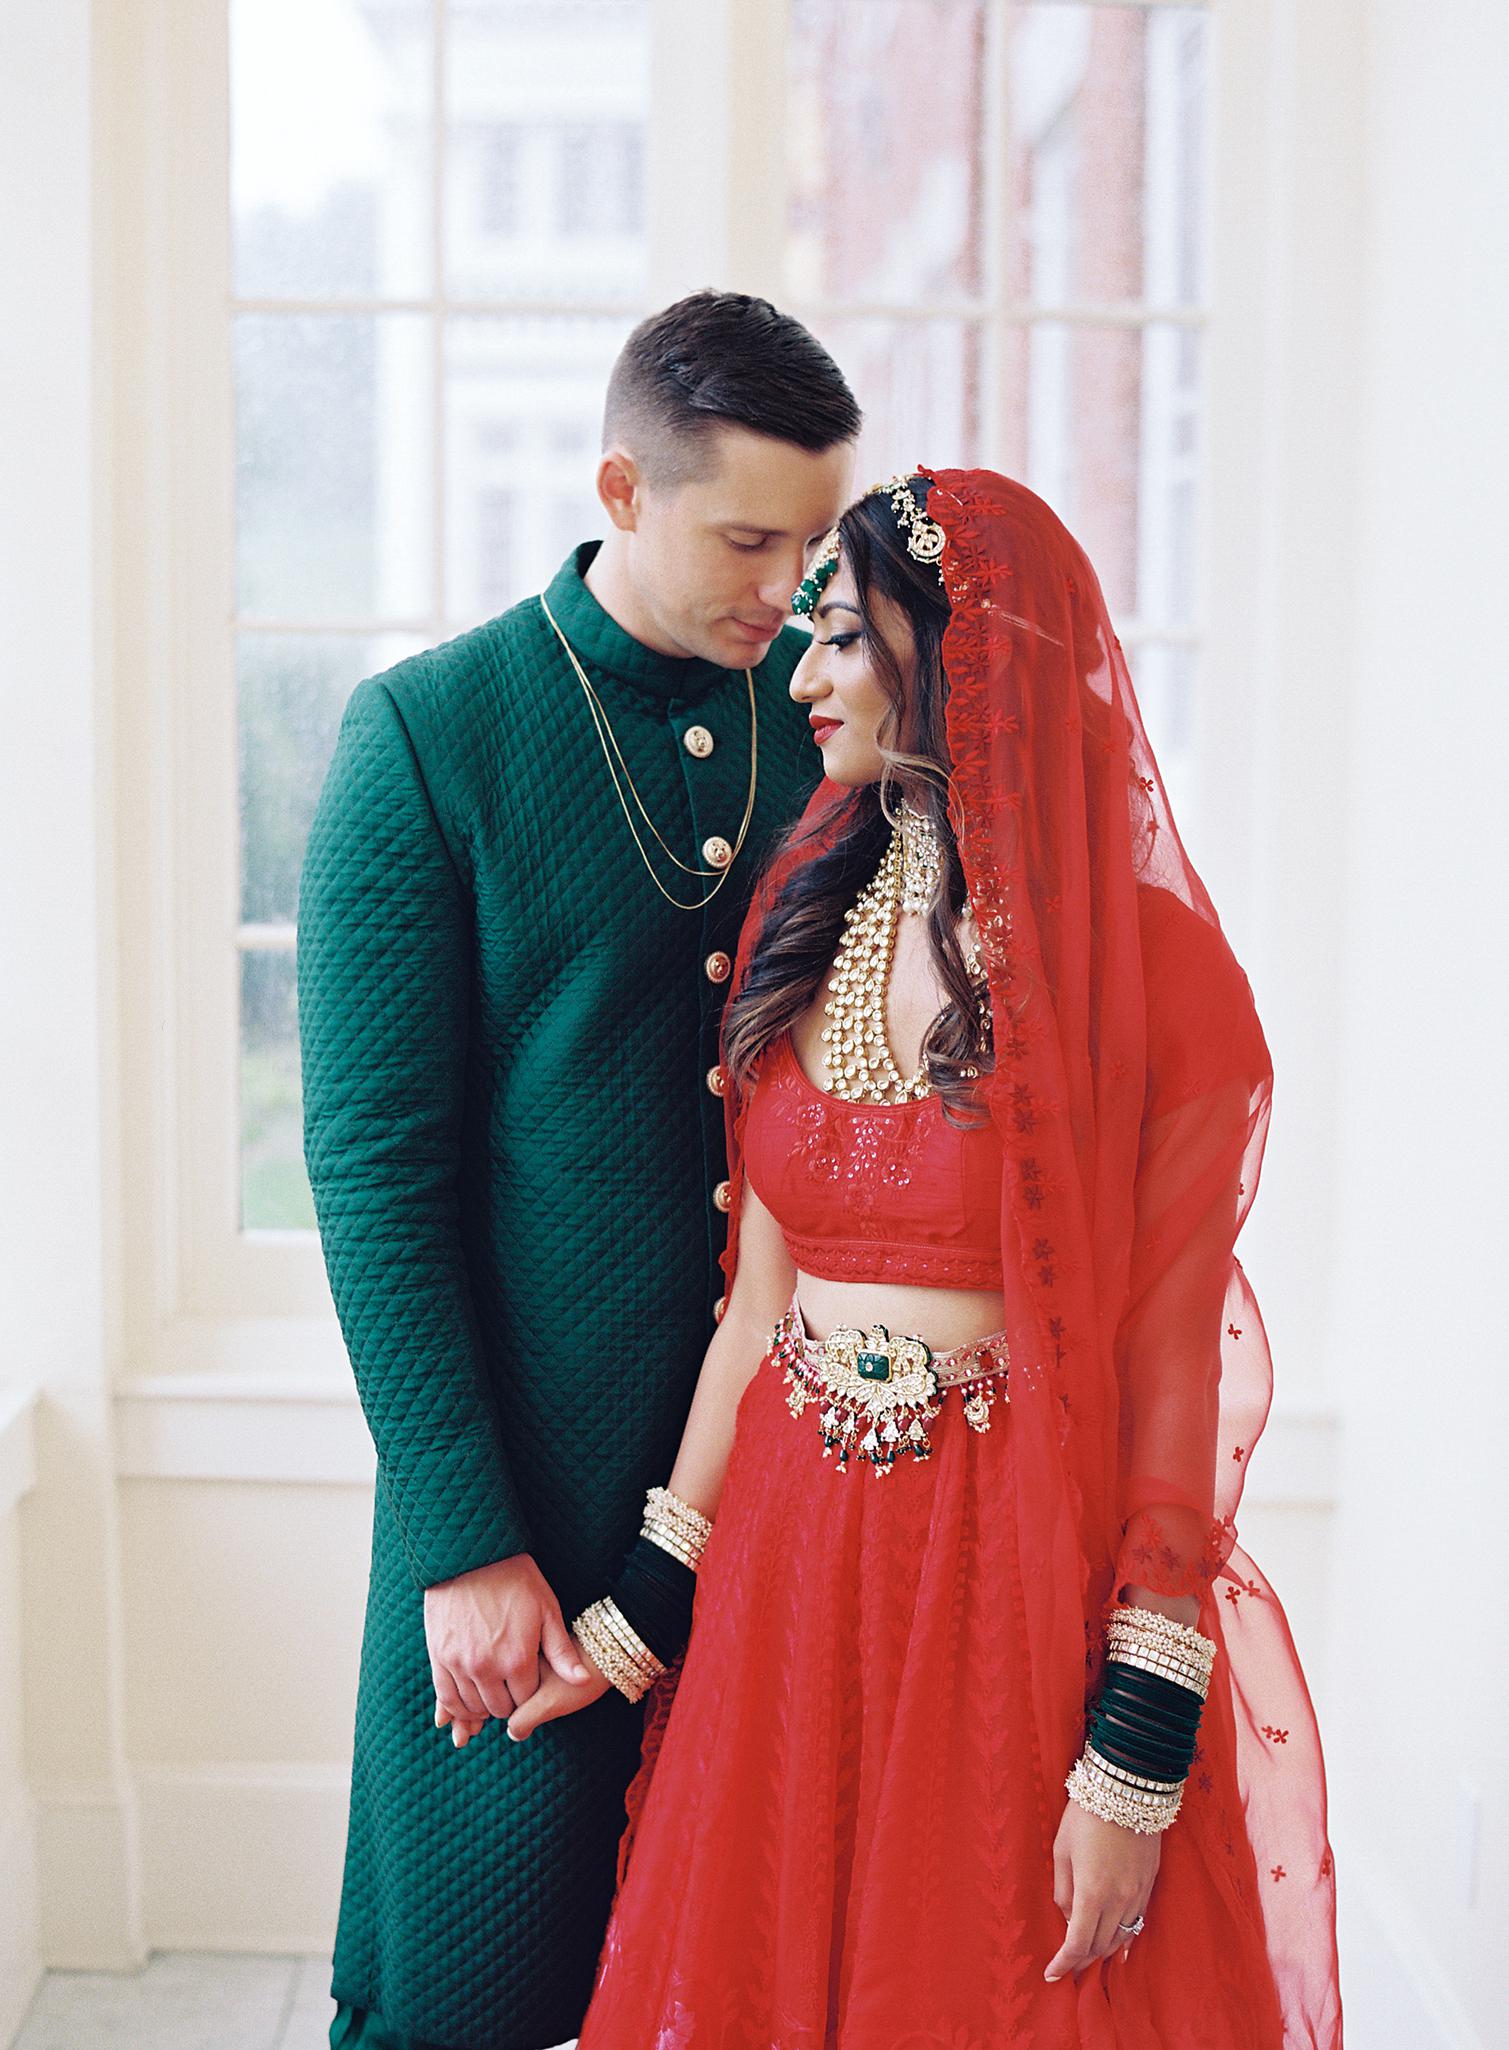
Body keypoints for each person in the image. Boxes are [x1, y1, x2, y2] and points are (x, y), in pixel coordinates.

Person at [505, 469, 1344, 2047]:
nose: (802, 675)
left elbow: (1168, 1366)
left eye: (837, 636)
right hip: (789, 1570)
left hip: (1008, 1577)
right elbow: (754, 1305)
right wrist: (641, 1606)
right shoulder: (799, 922)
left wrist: (1138, 1747)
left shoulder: (1153, 978)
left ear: (959, 650)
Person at [296, 290, 859, 2050]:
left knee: (745, 1976)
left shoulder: (825, 718)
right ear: (624, 484)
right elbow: (374, 1169)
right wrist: (463, 1541)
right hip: (524, 1498)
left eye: (813, 546)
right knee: (473, 1979)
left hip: (784, 1488)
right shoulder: (428, 733)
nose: (786, 591)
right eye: (747, 539)